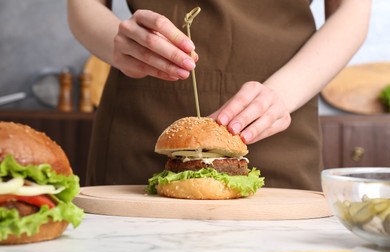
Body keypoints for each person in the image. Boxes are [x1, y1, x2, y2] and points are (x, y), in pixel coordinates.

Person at [67, 0, 371, 190]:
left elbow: (353, 9)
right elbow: (83, 4)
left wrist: (283, 93)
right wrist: (117, 44)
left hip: (280, 117)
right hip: (143, 114)